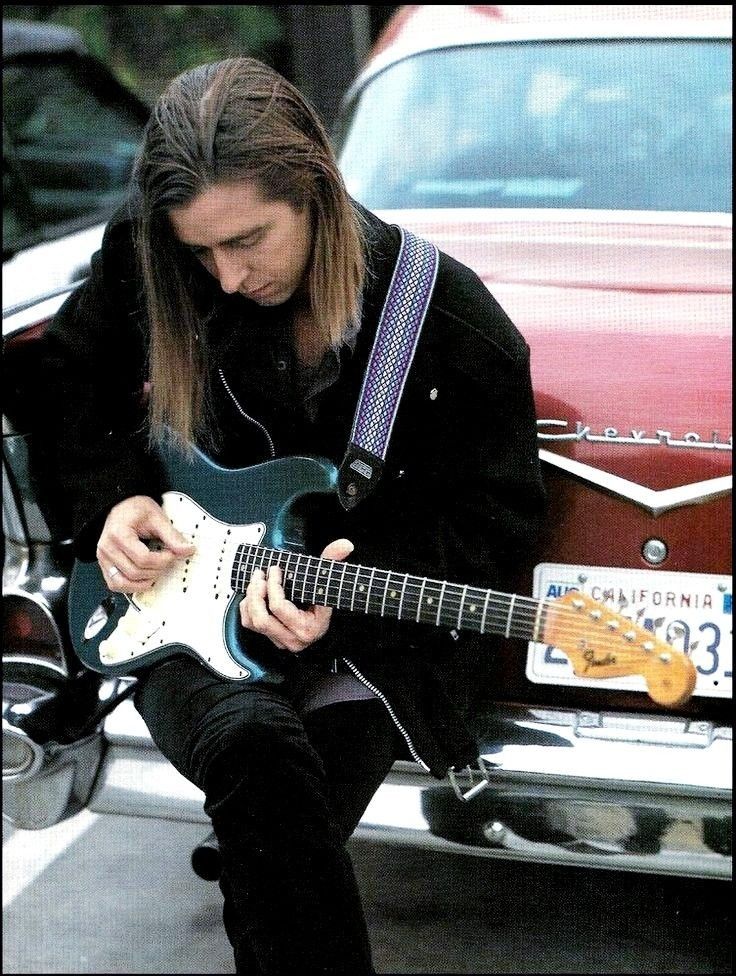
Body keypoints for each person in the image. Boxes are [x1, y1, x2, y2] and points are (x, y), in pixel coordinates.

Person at [38, 57, 546, 974]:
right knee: (256, 751)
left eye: (249, 242)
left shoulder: (443, 316)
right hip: (174, 607)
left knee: (276, 803)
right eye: (200, 252)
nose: (226, 278)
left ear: (315, 189)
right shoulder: (149, 261)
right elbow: (68, 381)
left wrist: (345, 589)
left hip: (368, 633)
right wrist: (111, 499)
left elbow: (498, 521)